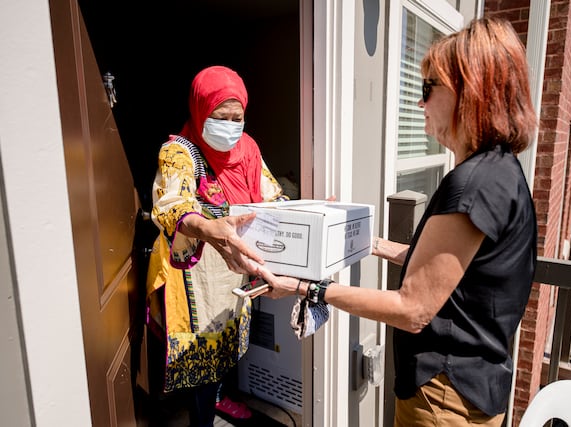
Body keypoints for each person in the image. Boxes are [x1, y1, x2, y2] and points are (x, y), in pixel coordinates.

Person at [258, 17, 538, 427]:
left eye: (428, 89)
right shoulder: (498, 172)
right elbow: (448, 272)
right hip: (470, 390)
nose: (419, 103)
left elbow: (412, 308)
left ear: (469, 92)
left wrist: (307, 288)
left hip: (445, 400)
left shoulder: (474, 184)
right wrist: (368, 243)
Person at [145, 65, 288, 427]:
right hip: (197, 274)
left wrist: (310, 214)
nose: (228, 125)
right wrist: (209, 227)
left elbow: (271, 195)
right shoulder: (179, 152)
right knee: (201, 355)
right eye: (218, 116)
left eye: (235, 117)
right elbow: (171, 206)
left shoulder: (249, 149)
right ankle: (202, 418)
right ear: (199, 110)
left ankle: (221, 398)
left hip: (233, 272)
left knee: (227, 343)